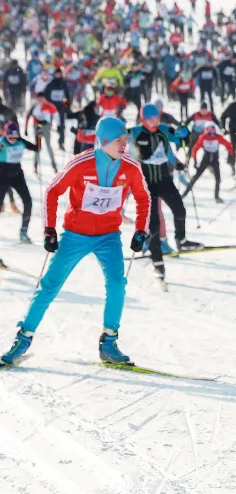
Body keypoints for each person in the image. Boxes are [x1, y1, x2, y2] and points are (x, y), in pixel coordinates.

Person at [1, 117, 151, 367]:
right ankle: (23, 338)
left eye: (126, 140)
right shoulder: (81, 163)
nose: (124, 145)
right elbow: (53, 191)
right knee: (49, 286)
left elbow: (143, 198)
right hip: (76, 235)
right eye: (119, 141)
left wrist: (140, 230)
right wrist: (49, 229)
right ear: (103, 141)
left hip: (108, 236)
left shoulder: (131, 168)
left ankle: (109, 341)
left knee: (117, 284)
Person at [128, 103, 200, 281]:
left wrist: (185, 133)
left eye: (157, 117)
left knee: (180, 210)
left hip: (164, 178)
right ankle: (158, 265)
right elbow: (116, 141)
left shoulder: (164, 130)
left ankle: (181, 240)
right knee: (153, 226)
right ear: (144, 119)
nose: (155, 121)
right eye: (151, 118)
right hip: (147, 183)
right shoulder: (134, 132)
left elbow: (182, 139)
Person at [0, 120, 38, 242]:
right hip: (2, 176)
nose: (13, 140)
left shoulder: (21, 141)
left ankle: (24, 231)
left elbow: (36, 148)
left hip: (17, 175)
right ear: (5, 135)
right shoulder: (2, 144)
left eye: (15, 137)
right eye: (10, 137)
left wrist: (39, 135)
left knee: (28, 201)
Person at [182, 121, 234, 203]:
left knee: (218, 178)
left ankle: (217, 196)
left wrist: (230, 156)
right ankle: (185, 193)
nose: (211, 131)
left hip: (215, 160)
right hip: (205, 160)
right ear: (206, 130)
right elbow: (195, 149)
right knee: (195, 177)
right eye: (209, 129)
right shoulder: (203, 137)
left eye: (213, 129)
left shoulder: (218, 137)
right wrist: (195, 161)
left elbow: (228, 145)